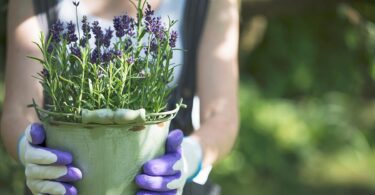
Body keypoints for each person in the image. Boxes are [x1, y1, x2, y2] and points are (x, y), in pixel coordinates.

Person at [0, 0, 239, 194]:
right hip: (62, 186)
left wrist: (188, 158)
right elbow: (18, 111)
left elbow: (221, 116)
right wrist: (30, 150)